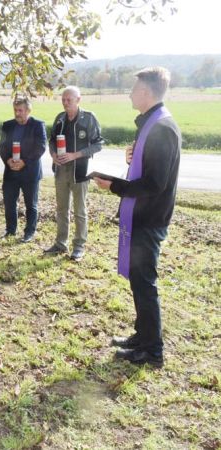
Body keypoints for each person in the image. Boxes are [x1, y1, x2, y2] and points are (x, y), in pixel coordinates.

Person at [93, 67, 180, 368]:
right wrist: (134, 158)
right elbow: (150, 170)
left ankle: (153, 351)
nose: (130, 94)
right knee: (138, 281)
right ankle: (142, 336)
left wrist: (114, 185)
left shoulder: (162, 128)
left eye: (134, 89)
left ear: (146, 92)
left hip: (149, 219)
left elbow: (156, 183)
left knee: (145, 283)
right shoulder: (150, 124)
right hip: (142, 216)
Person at [44, 86, 103, 261]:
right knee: (62, 209)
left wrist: (75, 155)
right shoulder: (60, 119)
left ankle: (79, 247)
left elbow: (98, 144)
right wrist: (53, 155)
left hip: (80, 171)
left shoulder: (89, 119)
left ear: (79, 100)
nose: (65, 103)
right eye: (63, 99)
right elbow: (52, 141)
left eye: (69, 99)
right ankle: (60, 243)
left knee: (79, 210)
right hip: (61, 170)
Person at [0, 96, 46, 242]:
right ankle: (10, 230)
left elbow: (41, 147)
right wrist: (7, 160)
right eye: (15, 110)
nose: (17, 113)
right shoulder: (8, 125)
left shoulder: (38, 125)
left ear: (28, 110)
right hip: (11, 170)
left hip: (30, 171)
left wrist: (24, 161)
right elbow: (2, 146)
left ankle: (29, 232)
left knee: (31, 204)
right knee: (9, 202)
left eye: (20, 110)